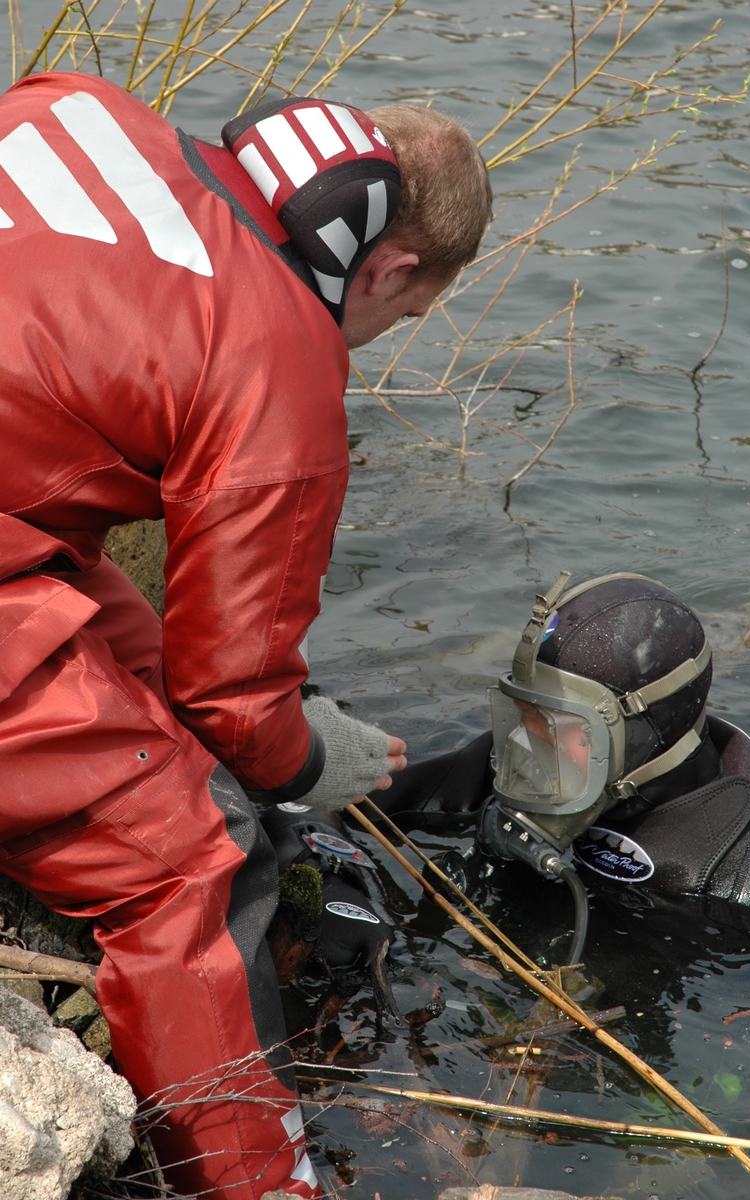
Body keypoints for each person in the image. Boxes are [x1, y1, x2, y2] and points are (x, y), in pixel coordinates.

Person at [0, 72, 492, 1200]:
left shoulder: (81, 110)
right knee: (179, 866)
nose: (369, 343)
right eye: (397, 320)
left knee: (141, 668)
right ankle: (256, 1182)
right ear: (392, 267)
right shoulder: (282, 348)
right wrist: (310, 759)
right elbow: (237, 697)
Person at [321, 572, 750, 938]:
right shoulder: (530, 756)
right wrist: (342, 895)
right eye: (523, 714)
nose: (524, 742)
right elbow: (335, 805)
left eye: (554, 723)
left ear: (638, 732)